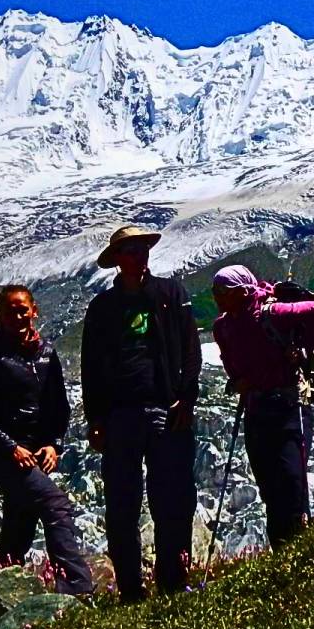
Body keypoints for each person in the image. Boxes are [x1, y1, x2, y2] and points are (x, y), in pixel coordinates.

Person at [80, 225, 202, 602]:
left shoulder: (170, 293)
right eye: (130, 250)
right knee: (122, 502)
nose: (139, 255)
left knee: (173, 496)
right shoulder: (102, 308)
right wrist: (95, 419)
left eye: (142, 248)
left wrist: (187, 396)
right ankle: (131, 588)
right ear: (116, 259)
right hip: (120, 415)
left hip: (166, 407)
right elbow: (91, 366)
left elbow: (190, 348)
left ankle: (172, 579)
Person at [0, 286, 94, 594]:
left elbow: (59, 406)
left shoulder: (46, 352)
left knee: (21, 513)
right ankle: (77, 587)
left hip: (35, 450)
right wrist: (10, 447)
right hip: (3, 454)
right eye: (10, 311)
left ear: (34, 311)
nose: (18, 316)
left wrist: (53, 444)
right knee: (54, 503)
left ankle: (4, 584)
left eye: (23, 309)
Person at [209, 265, 314, 548]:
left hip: (288, 405)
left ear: (243, 291)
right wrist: (239, 380)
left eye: (222, 292)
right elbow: (230, 361)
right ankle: (285, 550)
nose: (217, 297)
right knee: (272, 485)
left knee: (291, 481)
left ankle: (297, 546)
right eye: (215, 292)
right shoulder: (223, 326)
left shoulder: (271, 314)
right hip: (260, 409)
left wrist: (302, 348)